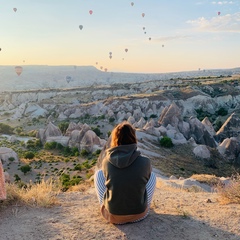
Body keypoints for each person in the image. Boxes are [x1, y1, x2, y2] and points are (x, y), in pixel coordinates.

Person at [94, 121, 156, 224]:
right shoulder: (145, 161)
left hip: (112, 216)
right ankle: (143, 205)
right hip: (140, 215)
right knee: (152, 175)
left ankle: (105, 205)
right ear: (133, 137)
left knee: (98, 174)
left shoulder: (106, 162)